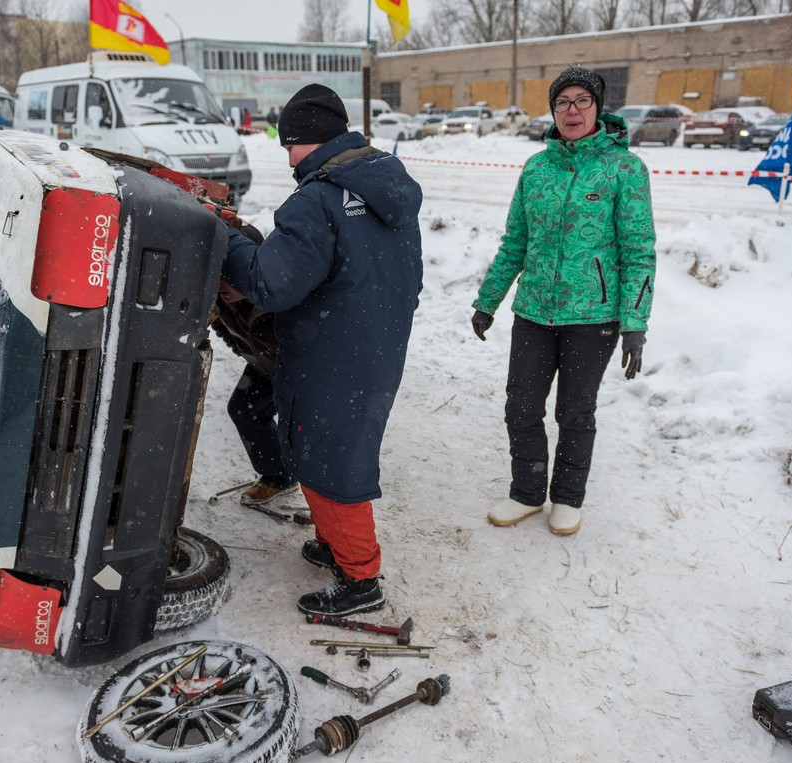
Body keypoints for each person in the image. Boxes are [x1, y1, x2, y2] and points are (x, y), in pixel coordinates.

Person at [220, 83, 423, 615]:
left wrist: (229, 241)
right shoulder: (387, 184)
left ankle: (360, 581)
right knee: (326, 451)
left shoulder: (317, 199)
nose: (288, 159)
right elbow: (405, 278)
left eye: (288, 146)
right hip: (373, 347)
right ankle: (336, 546)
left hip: (329, 353)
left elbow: (271, 285)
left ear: (304, 139)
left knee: (332, 464)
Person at [471, 66, 656, 536]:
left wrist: (635, 323)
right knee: (521, 408)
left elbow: (638, 251)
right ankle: (527, 493)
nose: (572, 111)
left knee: (575, 412)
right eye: (562, 103)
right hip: (534, 311)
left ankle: (568, 498)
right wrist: (488, 301)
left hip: (593, 316)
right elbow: (515, 242)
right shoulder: (536, 169)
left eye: (582, 101)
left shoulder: (625, 169)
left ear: (598, 107)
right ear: (553, 111)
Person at [210, 277, 298, 507]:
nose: (222, 285)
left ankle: (329, 499)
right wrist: (244, 350)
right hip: (264, 366)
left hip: (298, 372)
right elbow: (219, 324)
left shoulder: (279, 298)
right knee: (244, 410)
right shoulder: (218, 297)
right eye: (219, 277)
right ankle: (279, 477)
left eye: (230, 278)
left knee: (305, 431)